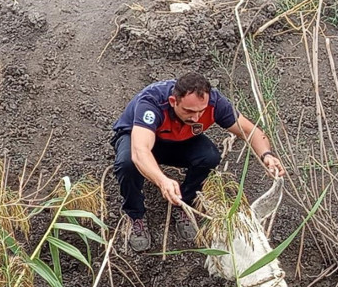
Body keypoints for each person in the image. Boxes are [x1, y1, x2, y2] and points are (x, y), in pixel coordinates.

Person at [111, 72, 285, 252]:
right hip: (139, 138)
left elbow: (250, 131)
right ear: (173, 101)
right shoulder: (152, 102)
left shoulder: (215, 103)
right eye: (189, 111)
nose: (195, 118)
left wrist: (266, 155)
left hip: (179, 139)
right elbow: (140, 151)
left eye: (201, 111)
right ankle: (135, 215)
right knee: (127, 164)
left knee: (209, 157)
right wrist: (162, 180)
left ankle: (184, 202)